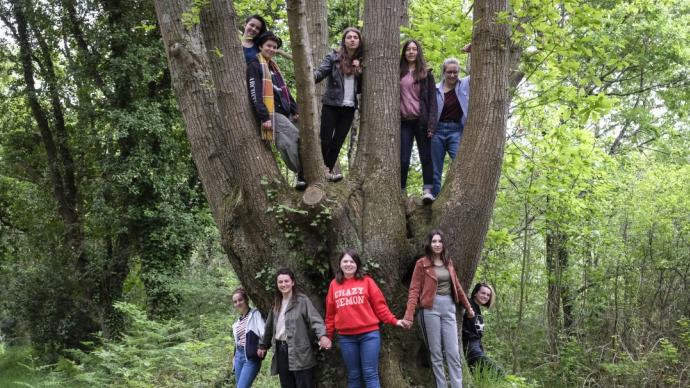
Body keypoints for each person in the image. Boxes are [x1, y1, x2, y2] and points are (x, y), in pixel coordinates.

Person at [402, 229, 475, 388]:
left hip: (449, 309)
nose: (437, 244)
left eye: (439, 241)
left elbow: (458, 287)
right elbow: (414, 290)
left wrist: (468, 307)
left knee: (453, 353)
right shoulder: (421, 264)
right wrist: (408, 316)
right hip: (430, 310)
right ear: (429, 244)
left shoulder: (448, 263)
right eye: (434, 241)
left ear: (444, 244)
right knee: (435, 354)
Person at [324, 249, 407, 388]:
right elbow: (330, 314)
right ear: (340, 264)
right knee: (354, 375)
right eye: (345, 261)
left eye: (352, 261)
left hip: (369, 335)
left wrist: (394, 320)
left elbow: (380, 306)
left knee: (370, 374)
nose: (348, 264)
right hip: (346, 338)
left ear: (357, 264)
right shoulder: (334, 285)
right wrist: (328, 335)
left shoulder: (367, 281)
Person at [247, 31, 306, 190]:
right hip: (273, 113)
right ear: (260, 46)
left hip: (287, 111)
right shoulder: (255, 64)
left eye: (274, 47)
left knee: (306, 136)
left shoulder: (274, 67)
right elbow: (255, 93)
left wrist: (295, 110)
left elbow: (284, 91)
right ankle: (302, 174)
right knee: (290, 136)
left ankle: (305, 174)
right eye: (268, 46)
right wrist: (264, 117)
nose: (272, 49)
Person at [257, 268, 331, 388]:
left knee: (304, 385)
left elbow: (315, 320)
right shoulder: (276, 302)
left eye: (286, 281)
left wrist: (322, 336)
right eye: (280, 282)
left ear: (293, 282)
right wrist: (263, 345)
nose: (283, 284)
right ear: (277, 284)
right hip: (281, 351)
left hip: (299, 351)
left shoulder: (302, 301)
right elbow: (269, 327)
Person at [313, 27, 363, 182]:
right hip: (332, 104)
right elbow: (321, 72)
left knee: (337, 143)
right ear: (344, 40)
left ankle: (327, 171)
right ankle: (315, 171)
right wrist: (308, 76)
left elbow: (362, 87)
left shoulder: (362, 61)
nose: (352, 39)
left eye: (356, 37)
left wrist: (359, 71)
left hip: (349, 108)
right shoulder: (333, 57)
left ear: (359, 41)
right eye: (349, 37)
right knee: (325, 140)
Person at [399, 39, 438, 204]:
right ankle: (400, 189)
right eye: (408, 49)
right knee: (403, 158)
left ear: (418, 52)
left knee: (426, 156)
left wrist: (431, 124)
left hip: (421, 121)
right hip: (403, 122)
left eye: (414, 49)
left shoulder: (426, 73)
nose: (411, 52)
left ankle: (428, 190)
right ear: (404, 52)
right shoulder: (397, 71)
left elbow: (433, 101)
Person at [431, 57, 470, 198]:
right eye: (449, 72)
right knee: (435, 168)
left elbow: (480, 71)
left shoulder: (465, 84)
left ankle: (460, 195)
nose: (452, 75)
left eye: (455, 72)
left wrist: (474, 50)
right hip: (437, 131)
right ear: (444, 72)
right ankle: (434, 197)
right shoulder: (435, 89)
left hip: (456, 130)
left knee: (461, 162)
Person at [462, 282, 504, 377]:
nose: (485, 296)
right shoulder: (467, 304)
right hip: (469, 346)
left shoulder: (477, 308)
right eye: (483, 293)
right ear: (476, 293)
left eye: (488, 295)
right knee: (498, 373)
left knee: (483, 376)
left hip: (476, 346)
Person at [232, 288, 265, 388]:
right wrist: (234, 358)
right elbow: (237, 342)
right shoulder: (238, 322)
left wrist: (262, 346)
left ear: (246, 300)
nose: (238, 303)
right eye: (235, 302)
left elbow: (264, 332)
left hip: (251, 359)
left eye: (240, 300)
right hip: (238, 357)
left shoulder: (255, 314)